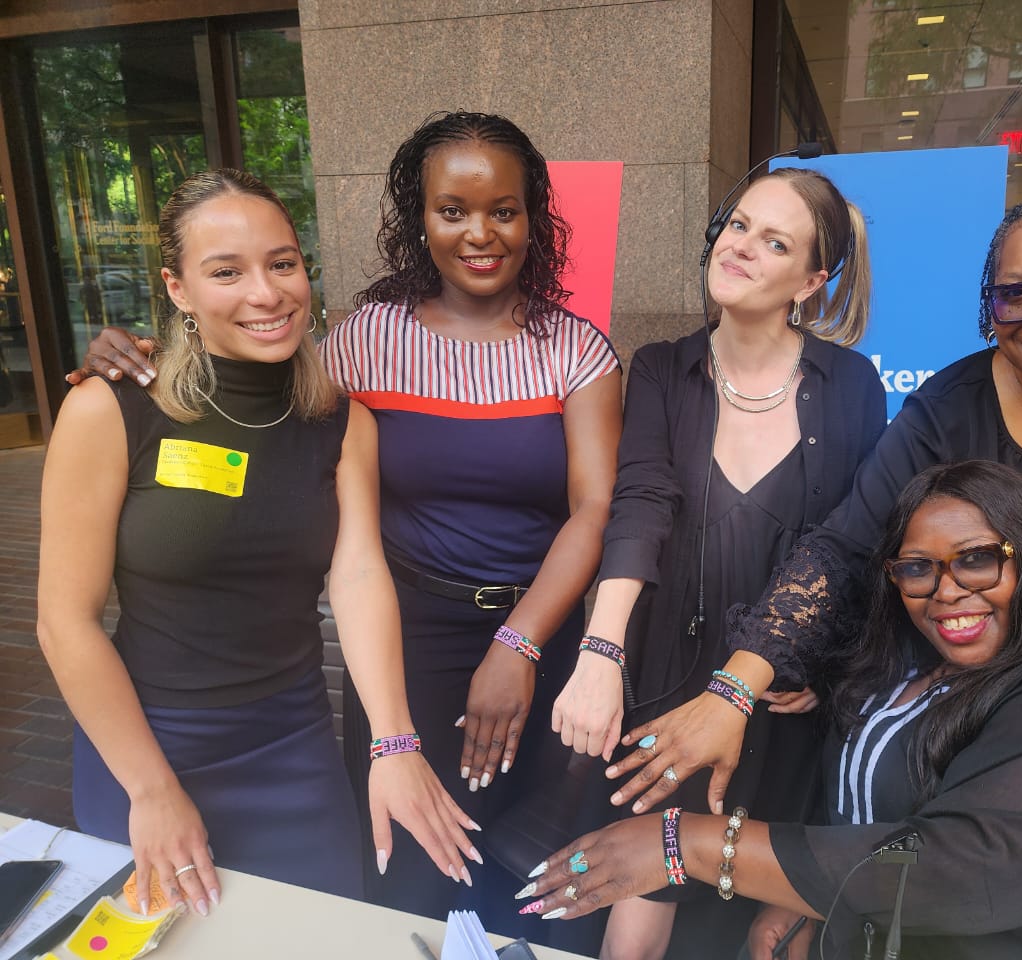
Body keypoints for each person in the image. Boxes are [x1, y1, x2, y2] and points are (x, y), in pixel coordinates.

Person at [68, 113, 622, 951]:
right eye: (452, 210)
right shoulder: (359, 343)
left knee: (502, 877)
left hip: (458, 662)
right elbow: (65, 619)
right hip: (352, 659)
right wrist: (128, 355)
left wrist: (515, 648)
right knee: (383, 888)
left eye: (282, 264)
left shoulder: (554, 352)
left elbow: (583, 511)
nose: (480, 232)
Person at [605, 185, 1022, 819]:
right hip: (989, 753)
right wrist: (735, 689)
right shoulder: (949, 410)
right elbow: (844, 548)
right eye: (1016, 295)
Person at [516, 461, 1022, 959]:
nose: (947, 590)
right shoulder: (939, 655)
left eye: (979, 558)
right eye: (917, 569)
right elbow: (891, 808)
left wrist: (685, 843)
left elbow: (962, 868)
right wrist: (825, 907)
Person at [37, 169, 479, 916]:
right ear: (178, 290)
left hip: (292, 743)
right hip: (146, 745)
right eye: (225, 272)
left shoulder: (343, 423)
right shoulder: (110, 409)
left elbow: (361, 576)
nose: (267, 293)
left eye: (282, 263)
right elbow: (63, 621)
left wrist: (395, 743)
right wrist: (151, 791)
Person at [550, 167, 883, 960]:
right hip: (668, 670)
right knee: (643, 889)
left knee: (760, 902)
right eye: (738, 226)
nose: (741, 247)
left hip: (779, 687)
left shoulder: (852, 386)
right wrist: (601, 649)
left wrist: (823, 665)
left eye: (775, 242)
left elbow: (855, 544)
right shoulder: (664, 367)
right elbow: (640, 503)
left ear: (811, 280)